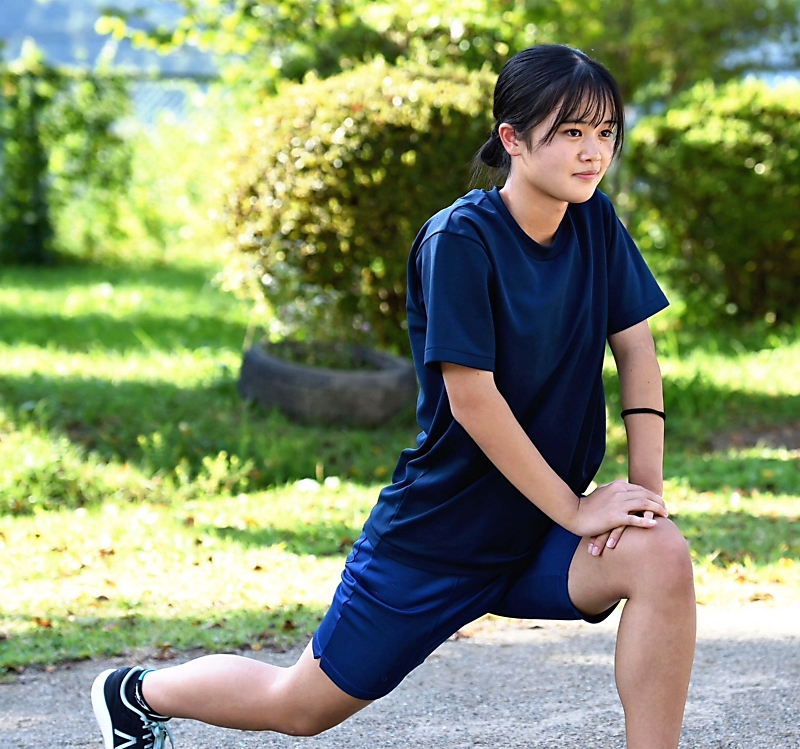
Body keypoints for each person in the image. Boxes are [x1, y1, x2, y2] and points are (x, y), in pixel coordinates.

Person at [91, 44, 696, 749]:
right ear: (513, 139)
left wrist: (643, 498)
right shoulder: (460, 241)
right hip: (439, 535)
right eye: (571, 132)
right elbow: (472, 400)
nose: (593, 153)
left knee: (660, 553)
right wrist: (577, 506)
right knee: (301, 706)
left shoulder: (595, 221)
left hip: (536, 534)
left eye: (605, 133)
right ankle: (135, 694)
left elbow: (636, 350)